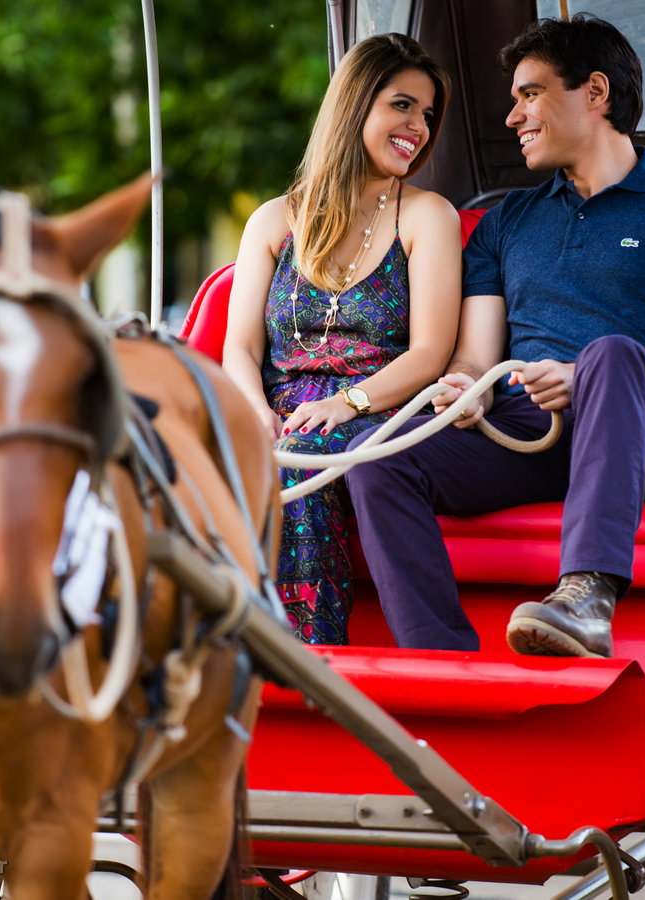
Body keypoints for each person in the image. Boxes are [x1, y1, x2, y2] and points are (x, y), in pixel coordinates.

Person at [345, 14, 645, 657]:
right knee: (377, 460)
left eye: (529, 94)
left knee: (609, 354)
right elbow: (477, 354)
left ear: (594, 92)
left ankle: (586, 595)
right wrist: (467, 388)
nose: (513, 117)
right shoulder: (506, 222)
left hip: (639, 435)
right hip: (526, 430)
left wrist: (584, 374)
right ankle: (441, 661)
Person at [221, 33, 462, 645]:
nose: (419, 126)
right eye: (402, 105)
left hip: (376, 408)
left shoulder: (428, 216)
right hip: (277, 414)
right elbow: (241, 349)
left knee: (304, 469)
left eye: (428, 114)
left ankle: (310, 660)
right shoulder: (274, 220)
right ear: (356, 104)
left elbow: (431, 353)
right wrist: (256, 415)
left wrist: (346, 404)